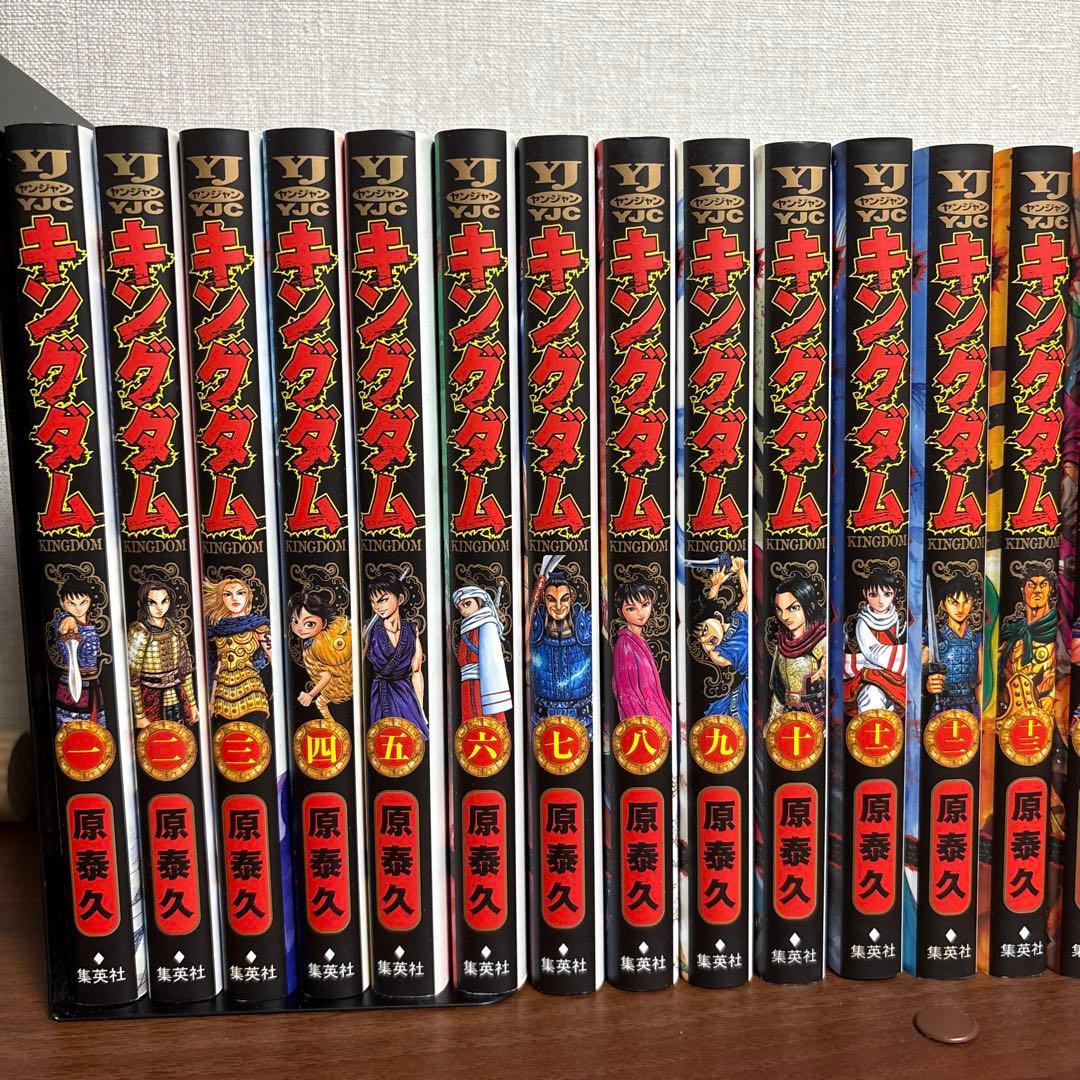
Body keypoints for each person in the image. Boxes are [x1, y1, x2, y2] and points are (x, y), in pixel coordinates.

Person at [528, 567, 592, 732]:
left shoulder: (586, 628)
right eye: (551, 599)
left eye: (564, 599)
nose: (558, 606)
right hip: (542, 720)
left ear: (571, 599)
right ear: (544, 599)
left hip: (583, 720)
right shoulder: (535, 629)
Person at [127, 580, 198, 728]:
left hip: (177, 693)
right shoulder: (140, 632)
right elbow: (133, 675)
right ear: (143, 604)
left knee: (179, 734)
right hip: (150, 696)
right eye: (152, 603)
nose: (159, 608)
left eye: (164, 601)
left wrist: (192, 704)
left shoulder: (176, 629)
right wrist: (139, 715)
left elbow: (185, 669)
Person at [363, 573, 427, 738]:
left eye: (383, 600)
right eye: (373, 602)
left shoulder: (412, 629)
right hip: (380, 693)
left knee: (415, 739)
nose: (377, 607)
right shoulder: (367, 629)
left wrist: (420, 708)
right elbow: (356, 668)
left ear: (400, 598)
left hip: (406, 694)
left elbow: (416, 671)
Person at [203, 575, 272, 726]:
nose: (235, 598)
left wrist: (278, 689)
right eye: (228, 594)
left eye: (240, 593)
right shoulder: (218, 630)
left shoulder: (258, 626)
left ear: (248, 597)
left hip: (250, 689)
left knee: (254, 732)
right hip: (223, 693)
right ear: (221, 599)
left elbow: (274, 657)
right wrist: (211, 699)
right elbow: (219, 666)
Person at [843, 563, 906, 716]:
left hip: (895, 676)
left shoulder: (897, 618)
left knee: (893, 714)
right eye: (874, 594)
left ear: (894, 593)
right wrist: (906, 653)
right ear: (865, 594)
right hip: (872, 674)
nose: (880, 601)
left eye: (887, 594)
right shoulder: (863, 621)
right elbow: (873, 652)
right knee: (871, 700)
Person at [693, 556, 749, 726]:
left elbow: (747, 593)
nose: (705, 638)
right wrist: (714, 588)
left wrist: (741, 570)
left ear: (718, 616)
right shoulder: (717, 652)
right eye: (701, 639)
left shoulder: (739, 618)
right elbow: (708, 612)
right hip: (748, 689)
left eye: (704, 631)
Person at [611, 576, 671, 735]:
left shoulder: (639, 639)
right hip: (643, 725)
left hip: (656, 716)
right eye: (631, 608)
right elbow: (627, 695)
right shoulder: (625, 645)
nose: (640, 613)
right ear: (621, 612)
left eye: (645, 605)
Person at [288, 588, 353, 724]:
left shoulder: (321, 644)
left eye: (309, 624)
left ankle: (333, 725)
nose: (300, 628)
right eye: (295, 621)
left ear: (323, 623)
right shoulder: (314, 643)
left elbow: (326, 676)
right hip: (340, 685)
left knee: (320, 702)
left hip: (340, 686)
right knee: (321, 703)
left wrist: (310, 695)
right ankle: (333, 725)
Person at [768, 574, 826, 722]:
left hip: (817, 716)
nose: (784, 616)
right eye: (779, 609)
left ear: (808, 606)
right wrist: (773, 722)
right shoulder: (782, 643)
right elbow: (779, 691)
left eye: (793, 608)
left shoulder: (821, 640)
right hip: (787, 715)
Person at [923, 573, 982, 718]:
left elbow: (980, 682)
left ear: (972, 603)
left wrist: (982, 715)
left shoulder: (976, 640)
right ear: (943, 605)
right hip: (943, 708)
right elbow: (913, 677)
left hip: (971, 709)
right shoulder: (934, 639)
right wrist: (927, 684)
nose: (960, 609)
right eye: (953, 602)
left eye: (966, 601)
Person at [999, 569, 1056, 715]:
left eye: (1043, 585)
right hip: (1012, 713)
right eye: (1031, 585)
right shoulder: (1014, 632)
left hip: (1046, 713)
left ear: (1050, 589)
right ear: (1023, 589)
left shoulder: (1058, 629)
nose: (1038, 590)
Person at [52, 574, 106, 728]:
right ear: (63, 603)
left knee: (95, 725)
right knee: (74, 724)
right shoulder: (67, 624)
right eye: (71, 603)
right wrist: (65, 617)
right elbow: (60, 624)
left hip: (92, 682)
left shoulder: (89, 622)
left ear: (90, 601)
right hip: (73, 682)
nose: (78, 608)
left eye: (83, 602)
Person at [453, 585, 512, 724]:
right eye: (460, 608)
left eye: (467, 604)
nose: (463, 611)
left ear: (479, 601)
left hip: (483, 683)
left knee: (488, 722)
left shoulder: (487, 624)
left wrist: (492, 695)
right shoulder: (466, 625)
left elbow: (491, 659)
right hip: (467, 682)